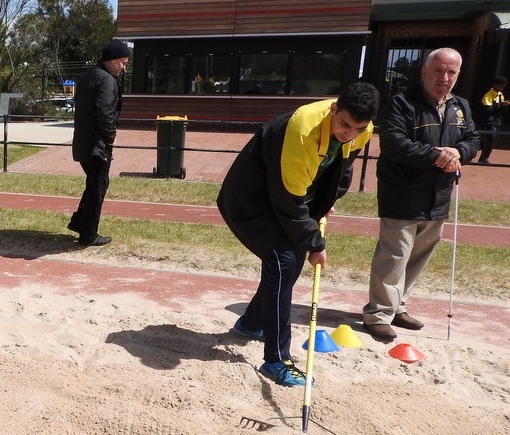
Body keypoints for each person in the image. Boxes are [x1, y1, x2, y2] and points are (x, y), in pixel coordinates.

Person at [217, 81, 380, 387]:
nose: (349, 133)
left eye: (358, 128)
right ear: (334, 109)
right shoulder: (301, 130)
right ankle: (277, 360)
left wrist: (325, 203)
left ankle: (252, 322)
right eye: (344, 124)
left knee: (286, 261)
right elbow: (288, 202)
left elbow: (341, 169)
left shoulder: (361, 131)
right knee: (285, 259)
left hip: (288, 197)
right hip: (250, 200)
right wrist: (315, 243)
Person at [362, 48, 479, 341]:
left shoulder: (460, 106)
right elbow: (393, 144)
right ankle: (377, 314)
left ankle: (397, 306)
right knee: (394, 256)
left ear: (458, 74)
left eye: (451, 72)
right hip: (401, 193)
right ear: (424, 71)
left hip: (438, 195)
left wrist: (459, 152)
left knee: (418, 256)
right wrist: (436, 156)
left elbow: (473, 139)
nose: (445, 78)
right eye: (439, 71)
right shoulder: (401, 103)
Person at [68, 39, 130, 246]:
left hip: (84, 141)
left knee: (95, 184)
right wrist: (110, 135)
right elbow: (104, 111)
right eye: (122, 62)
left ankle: (80, 222)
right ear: (111, 61)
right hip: (97, 144)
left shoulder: (88, 76)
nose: (124, 67)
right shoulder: (106, 80)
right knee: (98, 186)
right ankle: (88, 234)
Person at [476, 76, 508, 164]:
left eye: (503, 87)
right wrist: (500, 105)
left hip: (496, 121)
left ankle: (482, 156)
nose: (501, 88)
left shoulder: (500, 95)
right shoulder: (488, 95)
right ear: (495, 85)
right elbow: (488, 109)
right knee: (488, 140)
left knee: (491, 141)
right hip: (488, 122)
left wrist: (504, 106)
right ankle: (483, 158)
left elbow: (499, 110)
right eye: (500, 86)